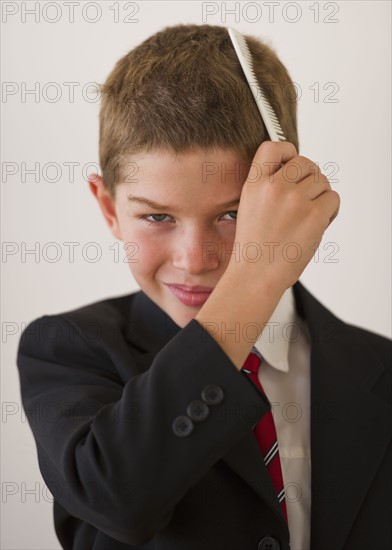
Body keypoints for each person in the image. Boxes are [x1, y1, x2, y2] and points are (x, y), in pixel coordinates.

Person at [16, 24, 391, 550]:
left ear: (291, 202)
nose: (195, 260)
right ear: (109, 208)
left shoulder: (381, 368)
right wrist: (253, 282)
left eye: (233, 213)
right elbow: (119, 498)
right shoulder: (68, 352)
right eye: (157, 217)